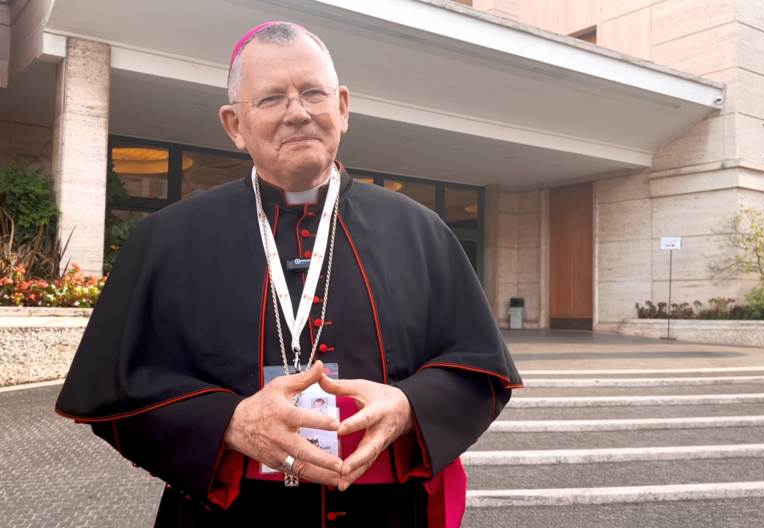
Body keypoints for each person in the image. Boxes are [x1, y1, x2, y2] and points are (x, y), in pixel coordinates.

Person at [55, 21, 521, 528]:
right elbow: (116, 388)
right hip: (227, 515)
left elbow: (479, 369)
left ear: (342, 107)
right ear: (234, 124)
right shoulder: (168, 239)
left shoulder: (420, 230)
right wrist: (228, 422)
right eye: (272, 98)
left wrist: (410, 405)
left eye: (313, 93)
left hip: (383, 515)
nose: (297, 112)